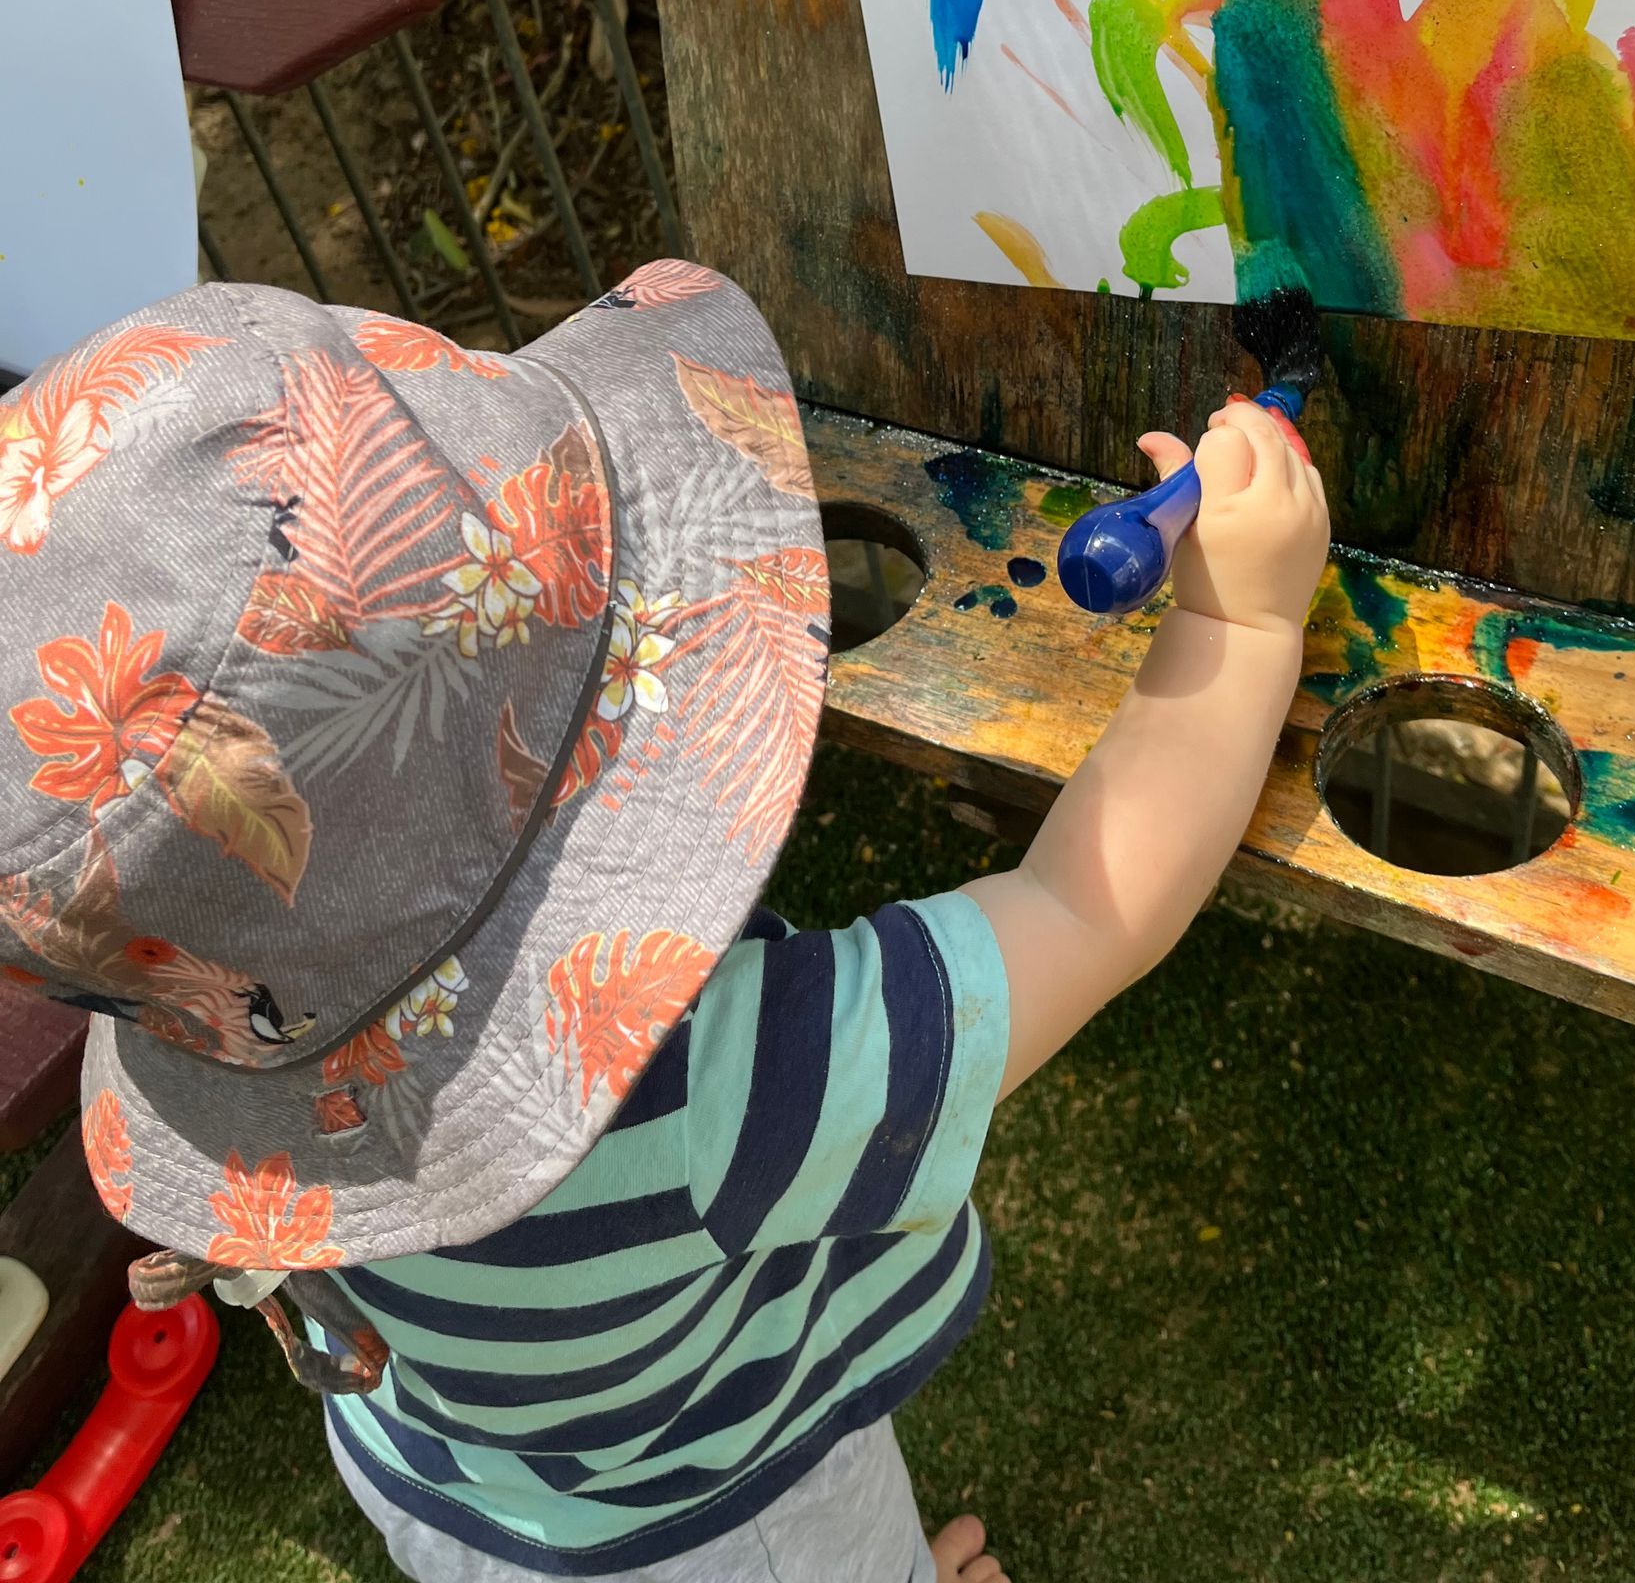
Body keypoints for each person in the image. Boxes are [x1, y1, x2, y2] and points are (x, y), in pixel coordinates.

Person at [0, 264, 1327, 1583]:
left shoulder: (214, 1025)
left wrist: (209, 1234)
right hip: (715, 1534)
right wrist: (1243, 616)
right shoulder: (715, 1089)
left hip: (435, 1480)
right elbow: (1086, 908)